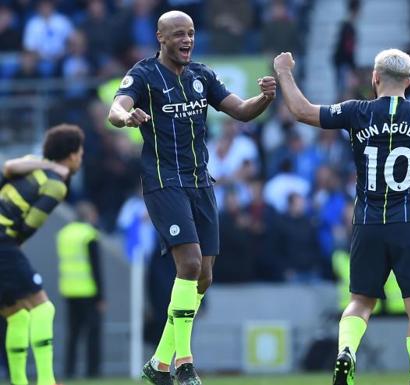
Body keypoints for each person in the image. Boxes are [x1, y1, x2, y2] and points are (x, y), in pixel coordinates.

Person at [274, 48, 410, 385]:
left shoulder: (355, 111)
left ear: (374, 79)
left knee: (360, 301)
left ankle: (346, 350)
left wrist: (284, 71)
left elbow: (302, 111)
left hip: (367, 221)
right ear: (407, 80)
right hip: (409, 221)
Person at [107, 10, 276, 385]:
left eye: (191, 33)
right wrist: (127, 116)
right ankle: (184, 362)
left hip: (202, 184)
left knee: (204, 277)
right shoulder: (144, 75)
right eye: (179, 34)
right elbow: (115, 109)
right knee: (190, 263)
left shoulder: (202, 75)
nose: (187, 40)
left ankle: (158, 363)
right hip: (164, 183)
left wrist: (264, 98)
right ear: (161, 37)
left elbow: (242, 111)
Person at [0, 124, 85, 385]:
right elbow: (28, 226)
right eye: (81, 152)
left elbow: (8, 168)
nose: (81, 158)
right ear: (71, 155)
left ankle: (18, 381)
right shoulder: (56, 185)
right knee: (43, 307)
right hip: (3, 241)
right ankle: (47, 380)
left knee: (16, 314)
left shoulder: (32, 163)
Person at [56, 201, 104, 378]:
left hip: (69, 290)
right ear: (89, 215)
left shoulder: (64, 234)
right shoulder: (89, 235)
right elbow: (96, 268)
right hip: (89, 291)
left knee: (73, 334)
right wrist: (101, 296)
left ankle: (69, 371)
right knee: (93, 333)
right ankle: (92, 371)